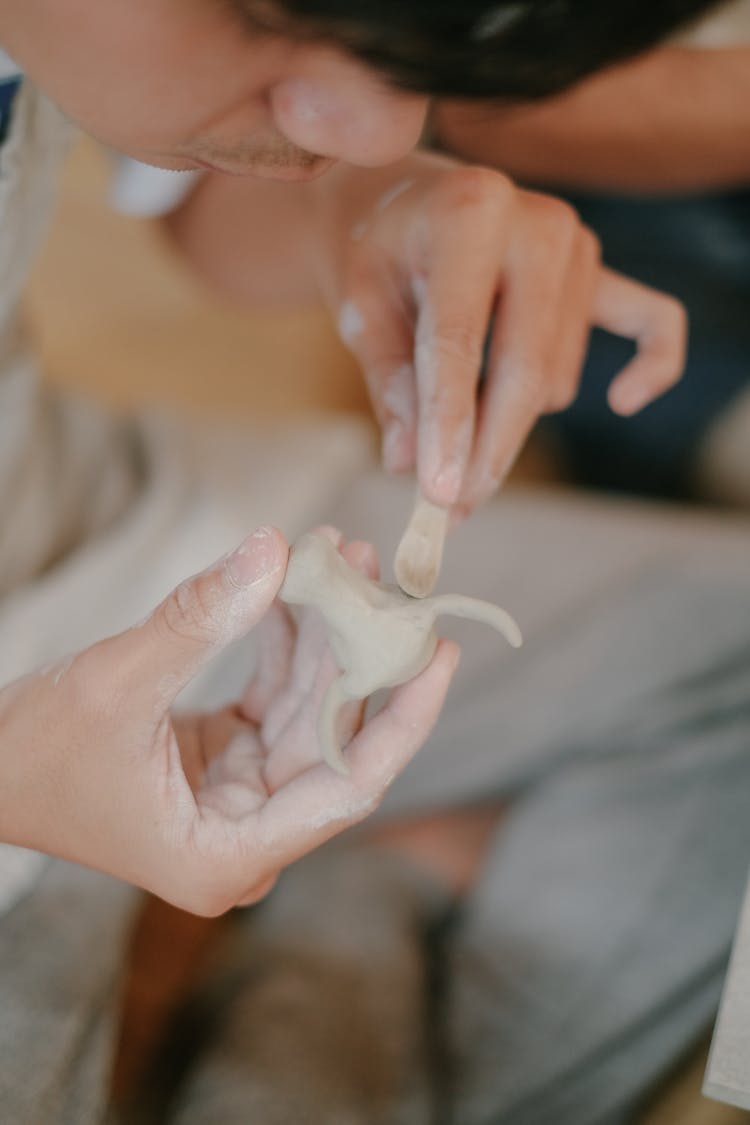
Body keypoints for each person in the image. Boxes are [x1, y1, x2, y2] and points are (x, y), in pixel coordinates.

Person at [0, 1, 746, 1122]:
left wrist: (363, 209)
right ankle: (365, 926)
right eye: (270, 15)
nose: (374, 123)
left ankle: (352, 915)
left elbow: (194, 196)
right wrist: (21, 779)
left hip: (89, 524)